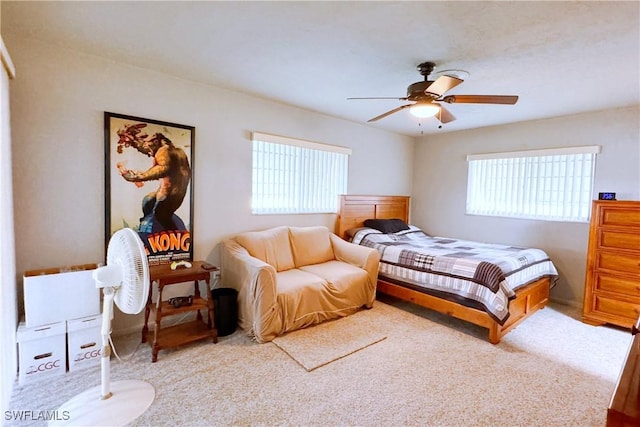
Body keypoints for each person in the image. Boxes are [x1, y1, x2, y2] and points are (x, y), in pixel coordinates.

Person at [120, 132, 191, 233]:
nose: (148, 154)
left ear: (156, 142)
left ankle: (175, 237)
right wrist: (134, 142)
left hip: (169, 195)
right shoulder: (173, 152)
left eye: (148, 146)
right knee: (148, 200)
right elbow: (147, 149)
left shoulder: (164, 151)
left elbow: (162, 169)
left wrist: (136, 176)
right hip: (171, 193)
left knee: (160, 215)